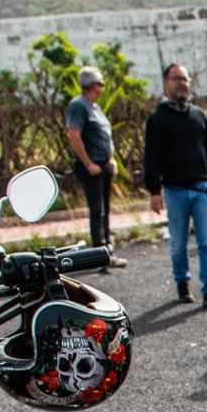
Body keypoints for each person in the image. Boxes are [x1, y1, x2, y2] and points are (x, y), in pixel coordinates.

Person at [142, 62, 207, 309]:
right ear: (165, 82)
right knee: (179, 243)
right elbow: (152, 157)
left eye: (185, 78)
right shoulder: (157, 118)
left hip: (202, 188)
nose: (181, 83)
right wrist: (154, 191)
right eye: (176, 78)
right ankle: (182, 284)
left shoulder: (199, 115)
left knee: (206, 242)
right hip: (175, 190)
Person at [65, 66, 127, 267]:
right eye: (101, 83)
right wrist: (87, 162)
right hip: (91, 166)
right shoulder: (79, 106)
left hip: (104, 164)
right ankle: (99, 251)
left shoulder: (94, 107)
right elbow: (74, 135)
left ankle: (107, 247)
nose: (103, 87)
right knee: (97, 209)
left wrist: (110, 159)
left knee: (105, 207)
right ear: (92, 85)